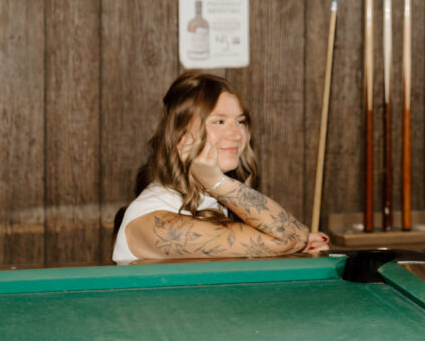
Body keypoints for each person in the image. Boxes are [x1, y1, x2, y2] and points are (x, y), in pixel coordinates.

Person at [112, 72, 328, 263]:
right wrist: (217, 182)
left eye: (240, 121)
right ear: (181, 134)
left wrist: (292, 251)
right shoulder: (152, 221)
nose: (236, 134)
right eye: (219, 122)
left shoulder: (210, 201)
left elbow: (292, 237)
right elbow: (290, 236)